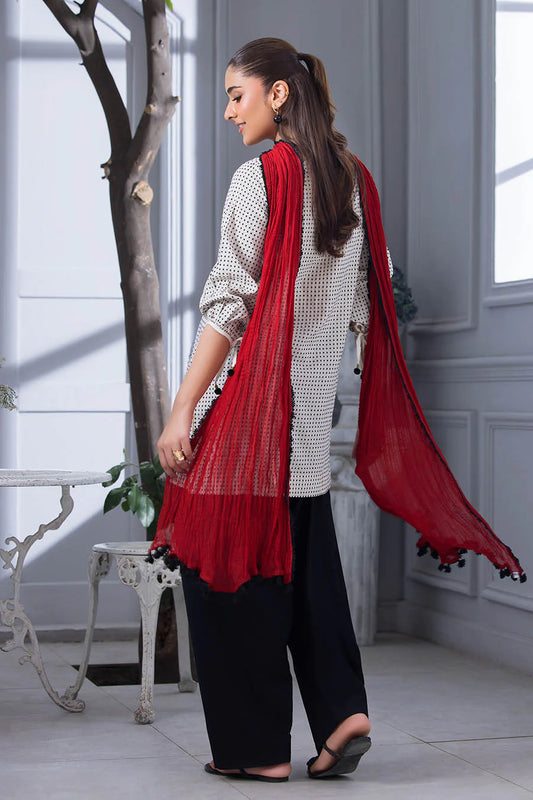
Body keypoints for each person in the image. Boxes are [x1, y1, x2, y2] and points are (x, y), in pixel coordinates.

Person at [151, 36, 525, 783]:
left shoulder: (260, 178)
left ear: (277, 94)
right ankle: (341, 714)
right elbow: (365, 303)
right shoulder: (355, 183)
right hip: (309, 417)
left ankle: (256, 751)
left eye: (236, 96)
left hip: (255, 408)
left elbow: (229, 305)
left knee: (226, 567)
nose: (229, 112)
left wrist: (181, 408)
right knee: (304, 564)